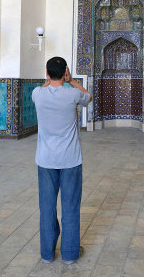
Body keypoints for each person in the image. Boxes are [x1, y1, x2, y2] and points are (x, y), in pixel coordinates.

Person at [32, 56, 92, 264]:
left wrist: (49, 80)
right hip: (70, 160)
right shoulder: (73, 94)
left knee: (47, 207)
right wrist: (72, 81)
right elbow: (89, 97)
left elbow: (43, 86)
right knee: (71, 207)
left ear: (47, 73)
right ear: (65, 72)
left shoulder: (37, 94)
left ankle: (47, 254)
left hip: (46, 160)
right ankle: (69, 254)